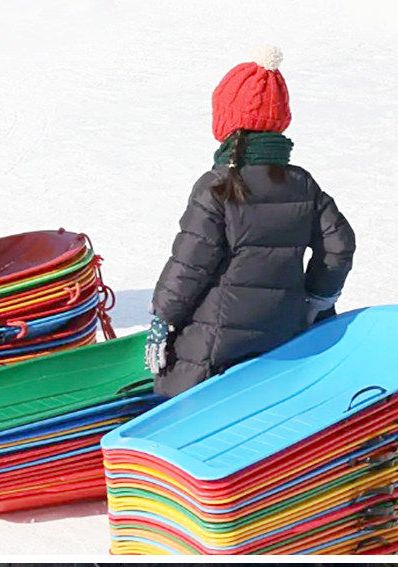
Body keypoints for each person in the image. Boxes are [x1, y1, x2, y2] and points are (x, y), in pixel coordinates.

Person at [143, 47, 356, 399]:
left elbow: (189, 265)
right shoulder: (302, 183)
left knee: (173, 392)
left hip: (215, 349)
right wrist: (316, 299)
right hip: (282, 337)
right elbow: (340, 243)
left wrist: (162, 319)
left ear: (227, 123)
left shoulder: (217, 187)